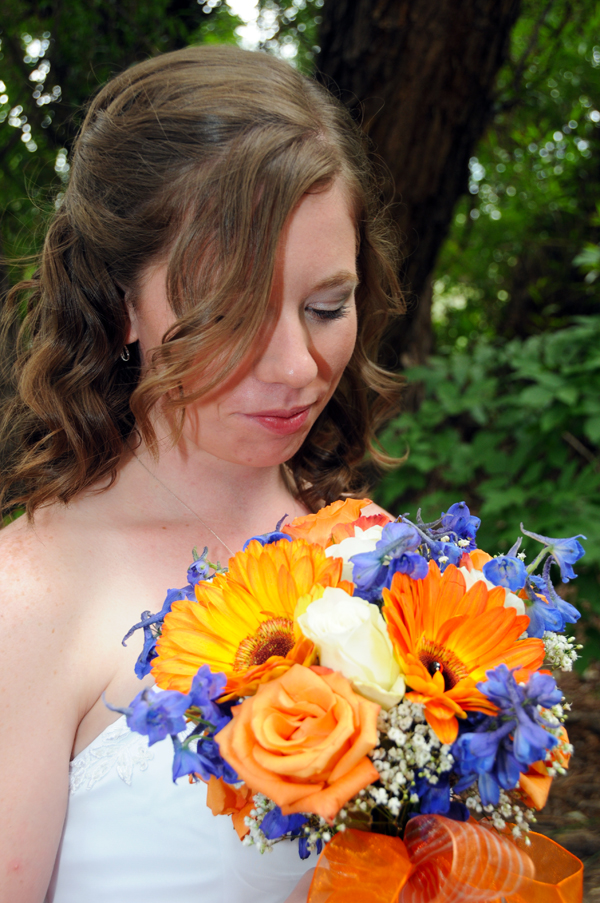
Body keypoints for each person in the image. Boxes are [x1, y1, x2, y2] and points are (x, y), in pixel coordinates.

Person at [0, 44, 403, 903]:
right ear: (117, 310)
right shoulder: (28, 599)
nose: (298, 365)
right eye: (233, 315)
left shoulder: (384, 556)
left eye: (327, 305)